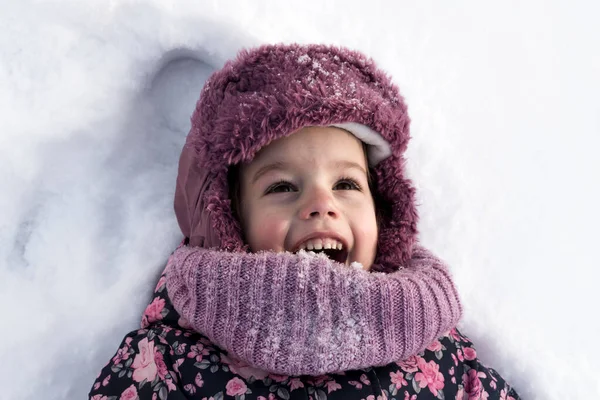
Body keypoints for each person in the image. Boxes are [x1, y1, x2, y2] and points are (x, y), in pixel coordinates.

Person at [90, 43, 520, 399]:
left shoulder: (435, 345)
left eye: (347, 184)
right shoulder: (173, 362)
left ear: (384, 210)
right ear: (230, 221)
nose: (320, 204)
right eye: (281, 188)